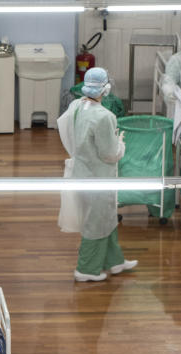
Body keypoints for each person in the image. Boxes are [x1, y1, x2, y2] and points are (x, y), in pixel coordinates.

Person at [57, 68, 137, 283]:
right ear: (106, 88)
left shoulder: (76, 107)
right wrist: (121, 144)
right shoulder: (104, 116)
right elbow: (110, 154)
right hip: (98, 178)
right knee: (96, 222)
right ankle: (86, 269)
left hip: (83, 172)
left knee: (106, 218)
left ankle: (115, 261)